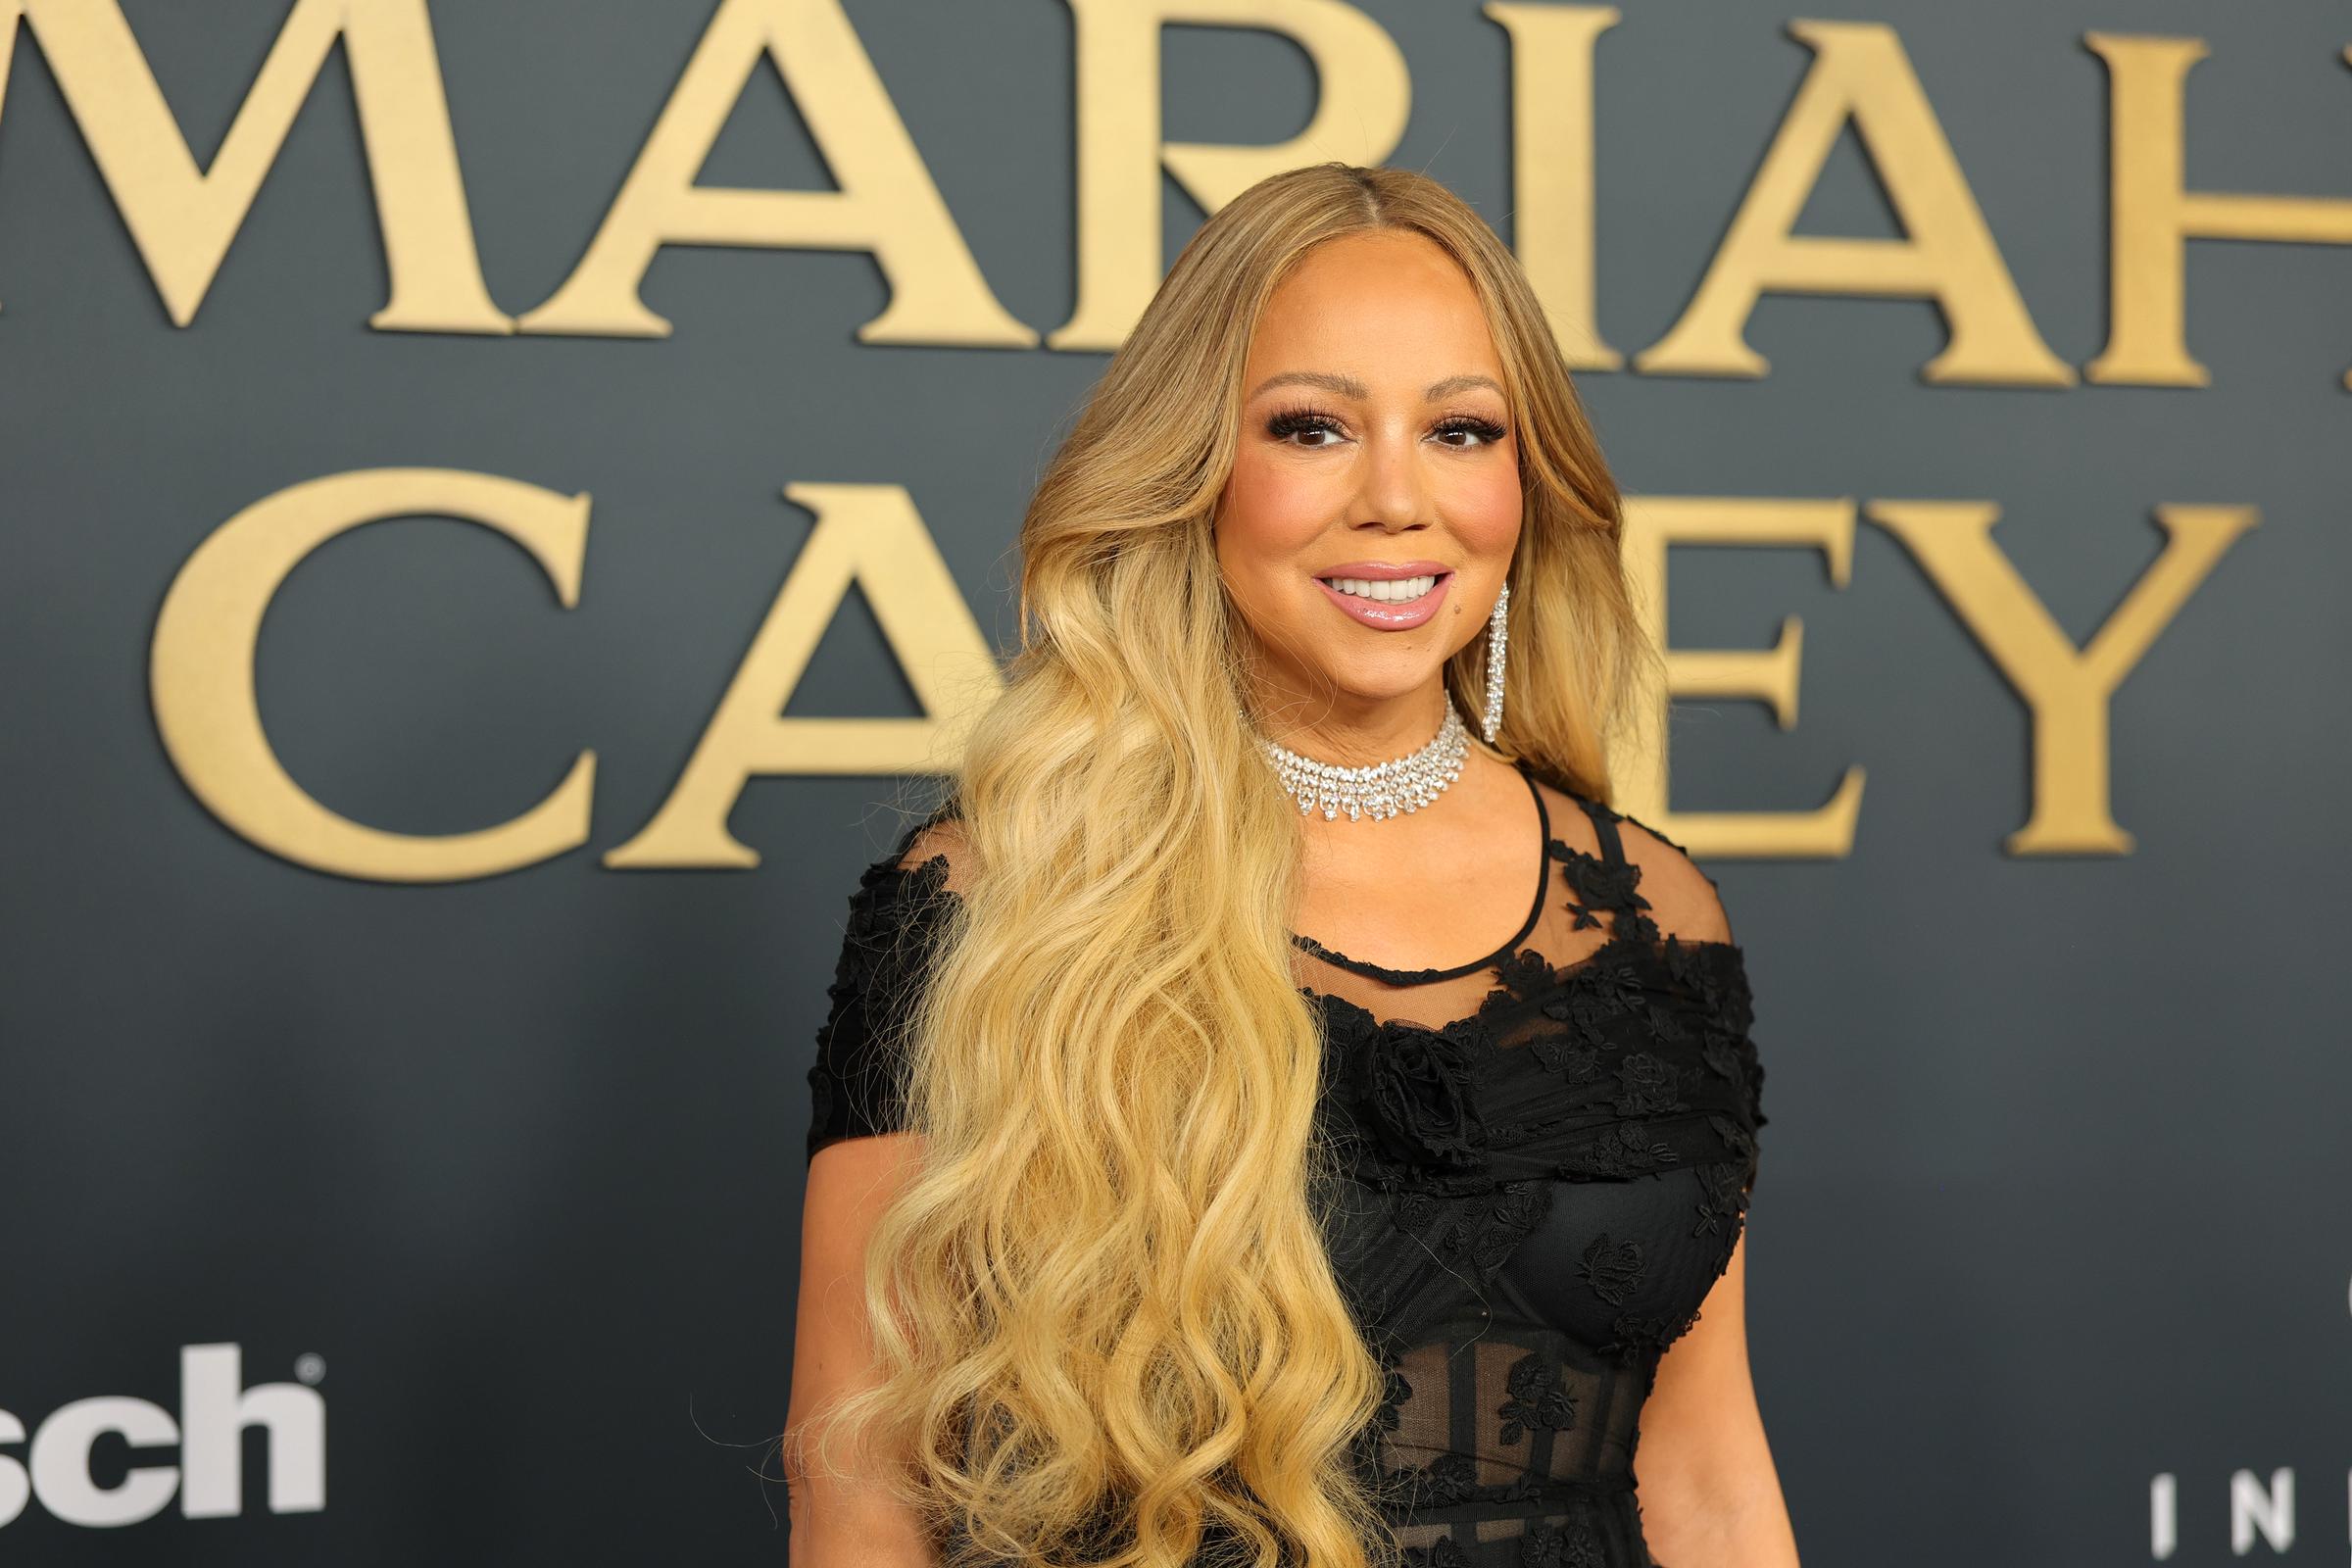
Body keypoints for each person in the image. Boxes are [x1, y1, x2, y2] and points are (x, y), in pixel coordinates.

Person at [783, 162, 1799, 1568]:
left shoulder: (1654, 916)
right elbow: (860, 1478)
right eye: (1313, 426)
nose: (1396, 498)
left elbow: (1704, 1474)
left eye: (1461, 429)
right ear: (1196, 468)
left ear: (1524, 480)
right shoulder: (1001, 898)